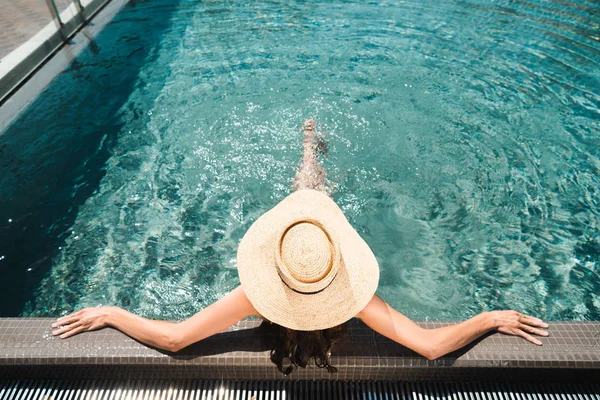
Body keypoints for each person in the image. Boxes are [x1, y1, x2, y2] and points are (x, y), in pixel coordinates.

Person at [52, 119, 549, 375]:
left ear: (276, 268)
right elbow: (431, 346)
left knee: (307, 190)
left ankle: (309, 148)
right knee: (313, 189)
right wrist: (490, 318)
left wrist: (112, 313)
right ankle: (311, 149)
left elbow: (177, 339)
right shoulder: (354, 293)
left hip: (299, 251)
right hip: (321, 258)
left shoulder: (253, 295)